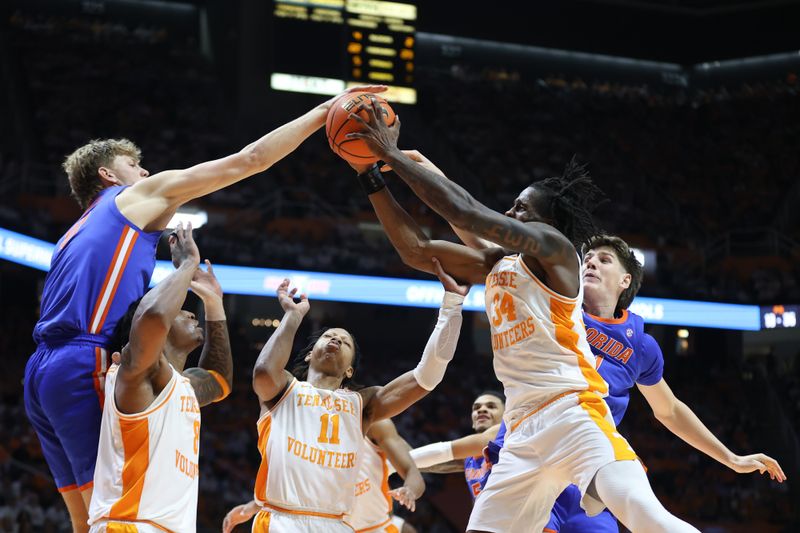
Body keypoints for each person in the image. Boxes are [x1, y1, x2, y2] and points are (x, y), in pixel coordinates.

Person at [23, 85, 386, 532]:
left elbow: (213, 379)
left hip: (40, 371)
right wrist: (320, 113)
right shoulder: (133, 198)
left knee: (86, 517)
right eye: (134, 165)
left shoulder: (70, 234)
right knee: (110, 507)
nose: (147, 170)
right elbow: (248, 160)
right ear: (108, 175)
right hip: (84, 358)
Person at [343, 98, 700, 532]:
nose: (511, 214)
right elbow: (415, 251)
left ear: (545, 223)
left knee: (646, 517)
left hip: (574, 413)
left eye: (520, 209)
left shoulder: (558, 253)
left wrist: (391, 154)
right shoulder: (496, 265)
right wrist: (372, 177)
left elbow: (467, 212)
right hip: (521, 432)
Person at [405, 232, 788, 532]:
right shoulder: (558, 299)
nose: (590, 263)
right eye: (587, 257)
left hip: (585, 452)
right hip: (531, 444)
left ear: (625, 279)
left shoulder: (642, 344)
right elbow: (491, 249)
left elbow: (668, 409)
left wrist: (730, 457)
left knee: (646, 516)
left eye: (603, 260)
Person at [242, 257, 467, 532]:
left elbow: (426, 377)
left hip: (337, 524)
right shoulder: (285, 390)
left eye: (345, 340)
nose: (336, 339)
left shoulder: (362, 404)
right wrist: (292, 317)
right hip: (281, 519)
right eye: (328, 336)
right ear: (311, 354)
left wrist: (452, 306)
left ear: (349, 370)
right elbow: (263, 372)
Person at [86, 223, 233, 531]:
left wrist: (214, 302)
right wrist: (187, 266)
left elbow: (219, 379)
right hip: (129, 524)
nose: (192, 314)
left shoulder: (182, 386)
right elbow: (151, 317)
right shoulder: (135, 372)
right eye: (182, 310)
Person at [223, 418, 422, 533]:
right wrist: (251, 508)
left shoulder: (372, 424)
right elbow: (290, 489)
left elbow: (416, 468)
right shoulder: (307, 433)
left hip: (376, 526)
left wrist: (410, 490)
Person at [402, 391, 504, 502]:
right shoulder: (469, 457)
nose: (481, 409)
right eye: (476, 408)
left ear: (506, 415)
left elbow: (443, 452)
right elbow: (433, 462)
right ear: (472, 422)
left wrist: (392, 462)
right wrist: (394, 456)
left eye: (491, 406)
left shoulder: (509, 433)